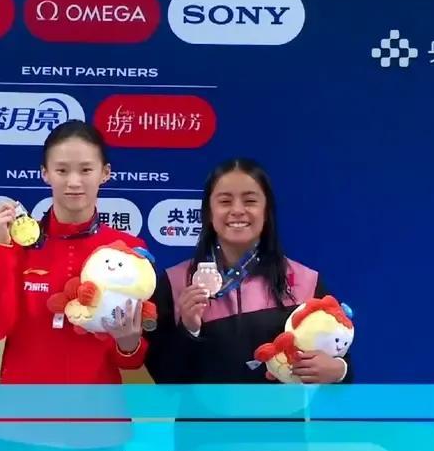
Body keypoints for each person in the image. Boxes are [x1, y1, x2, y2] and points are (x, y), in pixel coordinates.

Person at [145, 157, 354, 384]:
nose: (237, 210)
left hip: (281, 409)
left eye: (250, 201)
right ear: (209, 212)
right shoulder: (174, 283)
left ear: (266, 211)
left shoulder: (306, 282)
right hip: (200, 409)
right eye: (225, 201)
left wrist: (339, 370)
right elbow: (162, 376)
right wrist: (189, 329)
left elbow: (339, 358)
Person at [0, 119, 150, 384]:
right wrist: (1, 246)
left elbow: (131, 361)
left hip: (98, 406)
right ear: (45, 173)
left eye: (86, 170)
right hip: (22, 405)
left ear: (105, 173)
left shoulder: (128, 251)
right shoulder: (16, 243)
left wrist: (129, 344)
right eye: (62, 170)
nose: (74, 182)